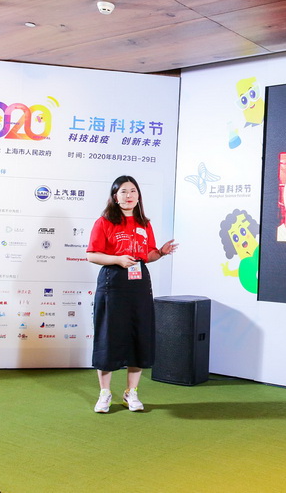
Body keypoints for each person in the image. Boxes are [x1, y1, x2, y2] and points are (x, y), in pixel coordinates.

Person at [86, 175, 178, 413]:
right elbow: (92, 255)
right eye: (124, 191)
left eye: (133, 191)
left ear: (139, 196)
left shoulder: (144, 223)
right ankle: (104, 394)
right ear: (115, 197)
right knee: (108, 336)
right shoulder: (104, 222)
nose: (129, 196)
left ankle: (131, 393)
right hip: (112, 282)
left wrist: (161, 252)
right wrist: (117, 260)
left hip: (139, 284)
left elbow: (147, 255)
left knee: (139, 336)